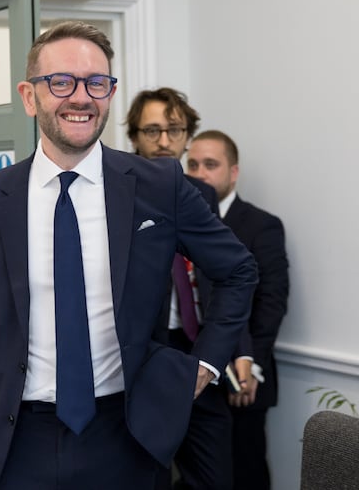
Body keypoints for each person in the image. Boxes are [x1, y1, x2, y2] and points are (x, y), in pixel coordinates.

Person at [0, 21, 257, 490]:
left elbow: (238, 270)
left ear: (109, 92)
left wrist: (204, 365)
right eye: (61, 82)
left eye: (96, 83)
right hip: (15, 438)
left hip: (127, 435)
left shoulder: (158, 186)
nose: (81, 97)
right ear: (29, 96)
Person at [126, 87, 252, 490]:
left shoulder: (201, 194)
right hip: (144, 359)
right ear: (134, 136)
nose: (165, 141)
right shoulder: (116, 190)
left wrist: (238, 349)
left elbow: (225, 274)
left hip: (201, 353)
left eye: (175, 130)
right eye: (152, 130)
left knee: (215, 479)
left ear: (187, 135)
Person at [188, 130, 289, 490]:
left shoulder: (261, 225)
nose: (200, 173)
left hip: (244, 377)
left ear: (233, 172)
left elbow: (271, 301)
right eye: (193, 164)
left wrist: (251, 367)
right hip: (198, 370)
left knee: (246, 473)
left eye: (211, 165)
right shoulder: (183, 221)